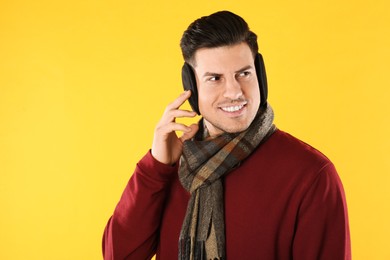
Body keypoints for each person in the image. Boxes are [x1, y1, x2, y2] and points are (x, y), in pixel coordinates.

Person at [103, 10, 351, 260]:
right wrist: (156, 167)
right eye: (214, 78)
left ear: (261, 76)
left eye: (243, 74)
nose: (234, 91)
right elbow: (118, 256)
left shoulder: (310, 174)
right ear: (192, 87)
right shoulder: (169, 166)